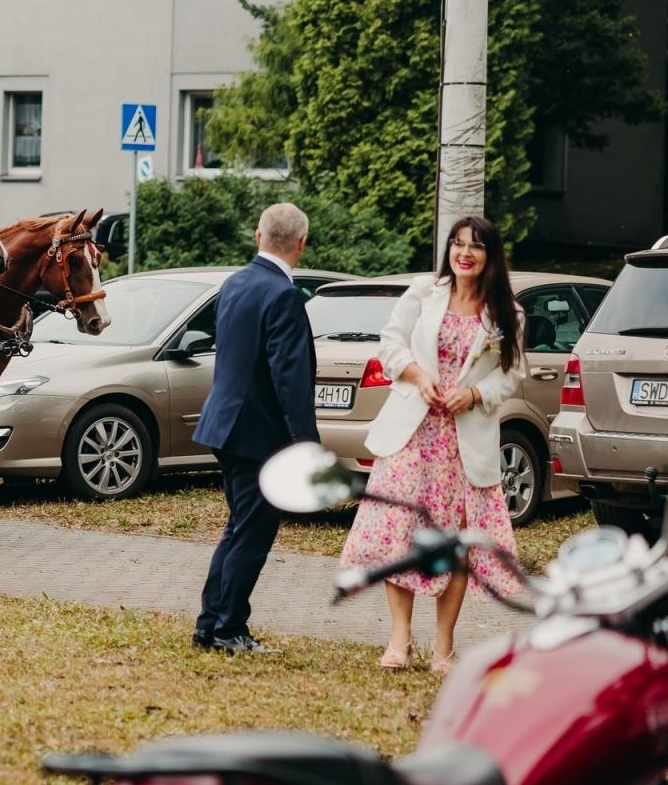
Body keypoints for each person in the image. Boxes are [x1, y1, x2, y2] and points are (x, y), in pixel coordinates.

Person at [340, 215, 524, 675]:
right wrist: (419, 376)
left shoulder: (506, 313)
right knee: (400, 535)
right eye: (458, 244)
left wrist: (476, 393)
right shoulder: (424, 292)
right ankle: (399, 639)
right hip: (412, 434)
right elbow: (390, 344)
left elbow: (512, 374)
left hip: (464, 442)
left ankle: (444, 646)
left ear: (490, 256)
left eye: (475, 247)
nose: (465, 253)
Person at [193, 203, 318, 654]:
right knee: (252, 534)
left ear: (257, 235)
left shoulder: (235, 283)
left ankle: (211, 625)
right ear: (301, 244)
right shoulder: (282, 295)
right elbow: (291, 378)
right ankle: (228, 629)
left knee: (238, 529)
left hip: (226, 425)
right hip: (258, 434)